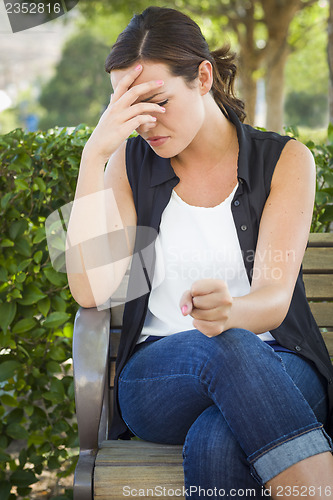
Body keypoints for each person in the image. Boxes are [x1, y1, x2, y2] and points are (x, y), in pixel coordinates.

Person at [66, 6, 333, 498]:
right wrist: (94, 155)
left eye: (158, 100)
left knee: (217, 437)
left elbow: (274, 298)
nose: (145, 122)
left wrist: (231, 311)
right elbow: (90, 289)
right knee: (224, 345)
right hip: (158, 380)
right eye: (127, 106)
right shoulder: (130, 166)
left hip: (282, 366)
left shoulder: (284, 160)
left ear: (203, 76)